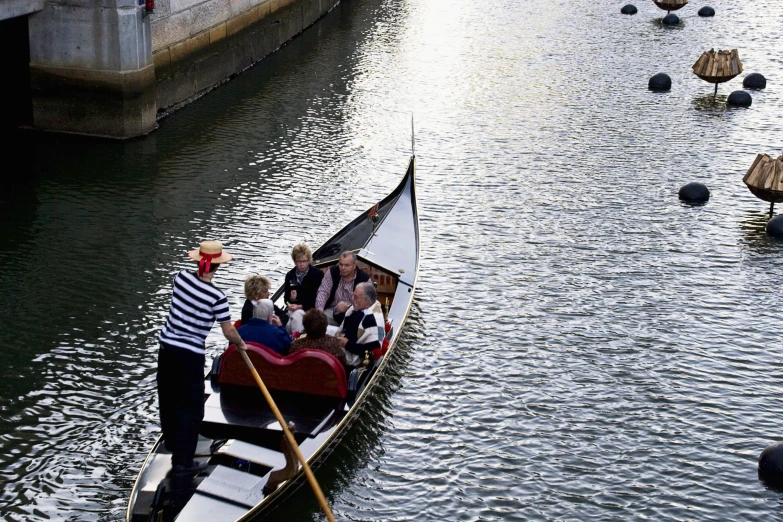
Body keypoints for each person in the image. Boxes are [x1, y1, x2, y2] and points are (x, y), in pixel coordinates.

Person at [157, 240, 247, 478]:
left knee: (168, 397)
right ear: (217, 267)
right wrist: (240, 343)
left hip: (166, 348)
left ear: (197, 260)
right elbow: (228, 331)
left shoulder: (180, 278)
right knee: (191, 408)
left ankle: (172, 442)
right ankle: (183, 463)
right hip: (189, 355)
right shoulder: (217, 297)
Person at [315, 251, 370, 326]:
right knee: (320, 322)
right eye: (341, 264)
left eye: (347, 265)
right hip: (332, 311)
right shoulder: (332, 272)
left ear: (354, 265)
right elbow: (323, 292)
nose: (343, 268)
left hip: (355, 314)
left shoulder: (364, 279)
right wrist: (319, 311)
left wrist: (350, 308)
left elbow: (368, 303)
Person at [336, 281, 385, 367]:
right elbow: (344, 325)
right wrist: (339, 311)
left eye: (356, 297)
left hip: (354, 357)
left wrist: (347, 344)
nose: (352, 298)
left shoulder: (374, 320)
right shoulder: (356, 308)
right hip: (343, 343)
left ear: (366, 301)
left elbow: (372, 351)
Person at [283, 243, 324, 334]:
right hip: (292, 308)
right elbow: (286, 299)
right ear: (294, 261)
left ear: (309, 260)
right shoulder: (290, 275)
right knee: (294, 315)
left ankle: (294, 338)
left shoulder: (317, 274)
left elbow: (317, 298)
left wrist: (300, 306)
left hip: (309, 309)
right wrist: (290, 301)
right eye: (299, 261)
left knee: (296, 317)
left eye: (304, 261)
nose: (302, 264)